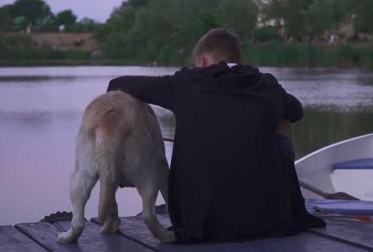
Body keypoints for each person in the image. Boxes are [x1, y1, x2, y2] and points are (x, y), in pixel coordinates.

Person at [106, 29, 325, 243]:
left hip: (202, 225)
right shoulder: (266, 84)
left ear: (202, 60)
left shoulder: (186, 83)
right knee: (282, 118)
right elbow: (295, 111)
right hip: (268, 221)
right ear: (237, 60)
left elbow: (119, 84)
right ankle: (288, 199)